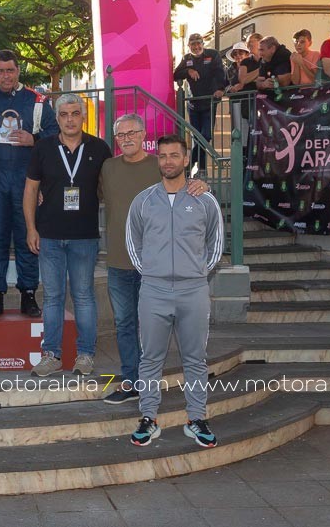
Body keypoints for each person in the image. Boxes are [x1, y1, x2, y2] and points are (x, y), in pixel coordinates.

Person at [98, 115, 212, 405]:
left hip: (158, 268)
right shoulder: (108, 168)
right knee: (125, 324)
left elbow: (187, 186)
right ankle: (132, 382)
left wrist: (204, 184)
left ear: (143, 134)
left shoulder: (159, 164)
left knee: (162, 327)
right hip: (120, 261)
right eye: (120, 134)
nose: (126, 138)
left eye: (132, 133)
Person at [127, 135, 224, 449]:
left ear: (186, 160)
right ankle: (149, 418)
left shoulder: (204, 199)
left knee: (195, 359)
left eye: (174, 156)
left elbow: (215, 244)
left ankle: (196, 418)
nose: (168, 161)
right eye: (163, 156)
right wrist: (154, 273)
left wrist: (195, 273)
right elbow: (133, 243)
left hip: (193, 291)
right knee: (150, 358)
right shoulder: (143, 201)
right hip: (153, 290)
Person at [24, 94, 111, 377]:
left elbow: (109, 187)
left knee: (84, 296)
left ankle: (85, 355)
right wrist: (31, 228)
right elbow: (30, 191)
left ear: (83, 116)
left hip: (84, 237)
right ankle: (51, 355)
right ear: (57, 118)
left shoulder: (99, 148)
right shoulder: (43, 148)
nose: (70, 119)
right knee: (52, 297)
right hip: (48, 235)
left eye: (75, 113)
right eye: (64, 114)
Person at [0, 50, 58, 318]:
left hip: (26, 176)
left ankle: (28, 293)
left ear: (18, 71)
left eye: (9, 70)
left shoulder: (36, 101)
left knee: (27, 235)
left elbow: (55, 133)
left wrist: (33, 139)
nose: (5, 76)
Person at [172, 33, 226, 176]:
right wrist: (188, 71)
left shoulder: (213, 55)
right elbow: (175, 74)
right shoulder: (187, 59)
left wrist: (221, 89)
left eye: (199, 43)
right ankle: (201, 170)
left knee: (206, 135)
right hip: (194, 105)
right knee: (197, 138)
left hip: (209, 102)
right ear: (189, 46)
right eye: (193, 44)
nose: (196, 47)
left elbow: (220, 72)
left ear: (203, 44)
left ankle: (188, 166)